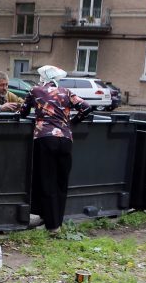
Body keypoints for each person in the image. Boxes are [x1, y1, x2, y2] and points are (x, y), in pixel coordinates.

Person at [18, 65, 92, 235]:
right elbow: (86, 108)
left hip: (45, 139)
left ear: (42, 77)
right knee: (61, 182)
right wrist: (71, 123)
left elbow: (22, 113)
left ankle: (52, 226)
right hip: (66, 140)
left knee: (46, 180)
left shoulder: (35, 91)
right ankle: (57, 220)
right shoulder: (66, 92)